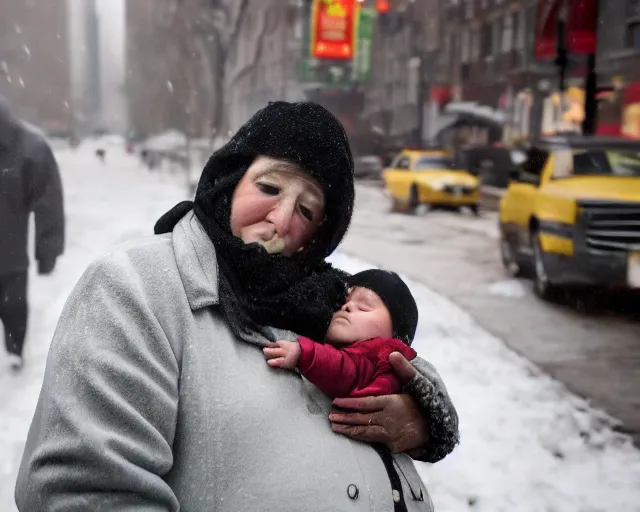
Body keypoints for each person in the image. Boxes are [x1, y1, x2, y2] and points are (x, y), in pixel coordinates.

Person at [16, 102, 459, 511]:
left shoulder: (330, 296)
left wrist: (423, 413)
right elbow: (81, 489)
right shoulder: (136, 286)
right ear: (229, 181)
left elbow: (406, 358)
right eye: (269, 187)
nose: (282, 219)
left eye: (306, 211)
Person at [265, 268, 420, 398]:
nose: (348, 306)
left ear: (397, 334)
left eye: (364, 306)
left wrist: (304, 353)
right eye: (343, 302)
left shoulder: (384, 356)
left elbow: (347, 370)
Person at [0, 96, 64, 371]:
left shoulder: (29, 149)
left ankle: (15, 350)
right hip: (11, 256)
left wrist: (47, 250)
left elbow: (48, 200)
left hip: (10, 257)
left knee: (14, 307)